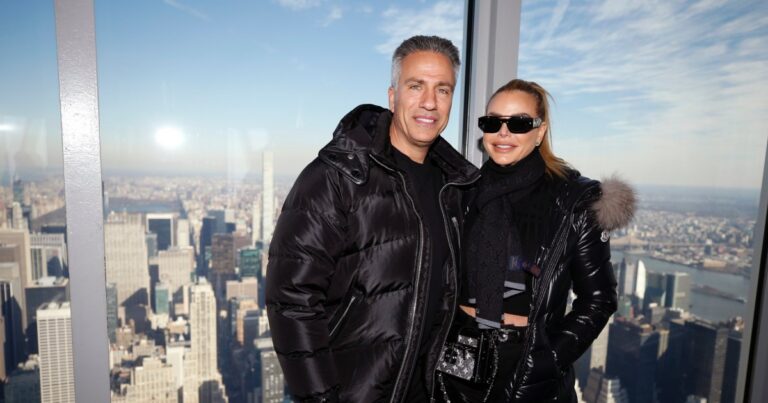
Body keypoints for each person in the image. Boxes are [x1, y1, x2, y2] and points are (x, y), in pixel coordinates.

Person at [266, 35, 479, 403]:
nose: (430, 102)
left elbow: (455, 304)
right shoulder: (337, 177)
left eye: (443, 90)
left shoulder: (457, 188)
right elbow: (291, 300)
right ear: (393, 97)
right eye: (416, 86)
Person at [435, 79, 635, 402]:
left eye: (518, 123)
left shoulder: (573, 200)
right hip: (457, 362)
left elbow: (599, 299)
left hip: (526, 366)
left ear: (540, 132)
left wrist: (548, 360)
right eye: (492, 123)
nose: (503, 133)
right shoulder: (461, 192)